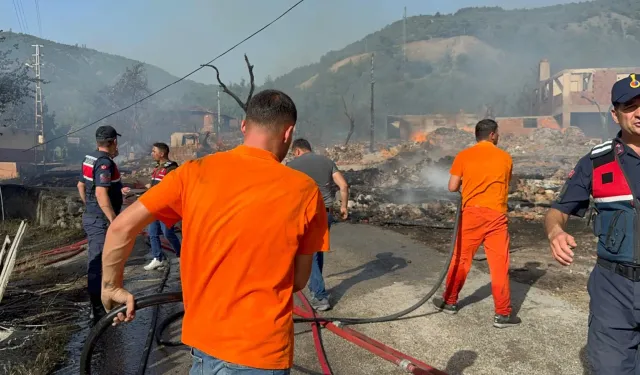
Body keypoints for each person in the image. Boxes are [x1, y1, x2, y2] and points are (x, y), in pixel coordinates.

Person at [100, 89, 329, 375]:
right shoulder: (304, 191)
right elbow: (297, 280)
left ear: (244, 126)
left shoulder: (193, 172)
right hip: (259, 354)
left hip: (202, 349)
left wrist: (110, 286)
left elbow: (121, 227)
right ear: (289, 133)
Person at [545, 74, 640, 374]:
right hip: (615, 288)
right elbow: (557, 210)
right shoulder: (596, 162)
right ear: (615, 114)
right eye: (630, 106)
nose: (639, 112)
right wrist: (555, 231)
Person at [432, 119, 520, 328]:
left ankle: (450, 301)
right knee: (499, 265)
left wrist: (468, 184)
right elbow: (506, 185)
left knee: (461, 259)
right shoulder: (505, 158)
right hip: (496, 216)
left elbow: (453, 187)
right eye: (497, 133)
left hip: (471, 214)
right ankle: (502, 314)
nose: (498, 136)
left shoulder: (464, 155)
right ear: (492, 135)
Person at [287, 138, 349, 311]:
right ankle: (315, 287)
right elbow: (343, 185)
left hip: (305, 213)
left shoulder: (292, 165)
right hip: (326, 212)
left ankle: (320, 296)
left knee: (310, 253)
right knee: (317, 251)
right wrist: (343, 206)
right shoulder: (327, 161)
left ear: (297, 151)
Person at [76, 125, 127, 325]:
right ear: (113, 142)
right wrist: (114, 221)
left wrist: (90, 206)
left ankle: (100, 305)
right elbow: (100, 193)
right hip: (101, 221)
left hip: (93, 216)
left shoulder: (89, 158)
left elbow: (81, 185)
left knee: (99, 262)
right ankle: (98, 310)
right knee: (100, 263)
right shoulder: (105, 163)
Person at [143, 142, 182, 270]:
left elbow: (172, 187)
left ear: (162, 153)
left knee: (167, 233)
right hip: (154, 206)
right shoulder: (157, 168)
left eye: (154, 151)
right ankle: (157, 258)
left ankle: (181, 255)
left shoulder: (171, 168)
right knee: (152, 233)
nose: (152, 153)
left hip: (165, 207)